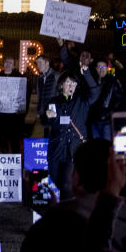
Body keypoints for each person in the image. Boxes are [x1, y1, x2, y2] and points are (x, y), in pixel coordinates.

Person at [45, 67, 100, 200]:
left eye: (74, 83)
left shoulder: (82, 101)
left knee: (66, 183)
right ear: (62, 84)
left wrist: (86, 73)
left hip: (74, 149)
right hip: (57, 148)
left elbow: (95, 91)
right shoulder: (54, 101)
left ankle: (68, 214)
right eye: (68, 83)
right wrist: (48, 117)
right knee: (56, 181)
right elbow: (47, 122)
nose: (71, 86)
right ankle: (68, 207)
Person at [0, 57, 27, 154]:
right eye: (6, 62)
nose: (7, 64)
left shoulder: (20, 78)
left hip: (14, 117)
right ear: (3, 64)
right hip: (0, 115)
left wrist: (22, 113)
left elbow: (24, 98)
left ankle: (15, 161)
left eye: (10, 63)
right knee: (2, 139)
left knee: (15, 140)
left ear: (14, 66)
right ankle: (4, 159)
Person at [34, 54, 59, 138]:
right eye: (37, 63)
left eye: (40, 63)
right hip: (43, 113)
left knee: (53, 137)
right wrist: (39, 110)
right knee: (45, 137)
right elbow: (40, 96)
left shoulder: (56, 76)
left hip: (54, 113)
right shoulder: (39, 78)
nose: (38, 66)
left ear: (47, 63)